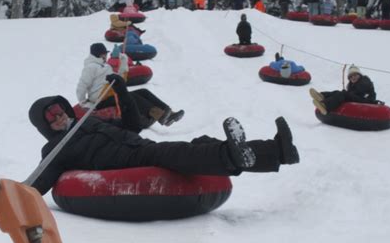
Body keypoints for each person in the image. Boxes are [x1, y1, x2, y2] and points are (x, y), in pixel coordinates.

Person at [28, 76, 300, 195]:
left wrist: (122, 91)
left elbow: (133, 124)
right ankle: (233, 154)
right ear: (44, 126)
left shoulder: (90, 122)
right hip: (126, 164)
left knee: (197, 145)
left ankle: (276, 152)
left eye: (60, 110)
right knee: (179, 153)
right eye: (51, 117)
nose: (59, 117)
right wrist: (10, 192)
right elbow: (39, 183)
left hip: (139, 147)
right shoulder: (54, 150)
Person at [76, 43, 184, 128]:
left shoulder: (105, 66)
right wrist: (84, 103)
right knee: (132, 97)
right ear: (99, 54)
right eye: (105, 53)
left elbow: (120, 79)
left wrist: (123, 61)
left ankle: (169, 112)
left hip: (111, 93)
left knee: (143, 92)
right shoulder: (90, 67)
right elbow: (82, 86)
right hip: (101, 99)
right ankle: (162, 117)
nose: (106, 55)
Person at [309, 65, 378, 115]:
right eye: (351, 77)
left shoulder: (364, 81)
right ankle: (322, 96)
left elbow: (359, 92)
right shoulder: (353, 84)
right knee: (338, 92)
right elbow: (352, 94)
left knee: (344, 94)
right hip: (359, 98)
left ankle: (326, 105)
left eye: (355, 75)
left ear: (359, 75)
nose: (353, 77)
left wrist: (347, 93)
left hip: (366, 100)